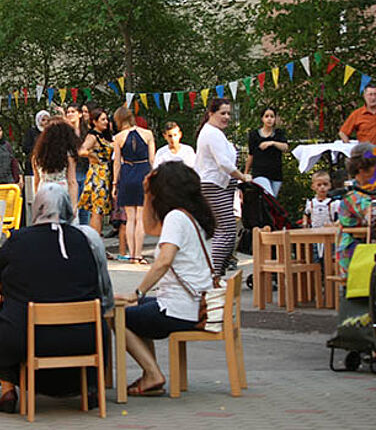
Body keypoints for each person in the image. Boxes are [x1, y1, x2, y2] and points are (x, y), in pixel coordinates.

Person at [0, 183, 113, 413]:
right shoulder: (86, 239)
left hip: (26, 339)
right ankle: (91, 387)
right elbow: (103, 289)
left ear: (36, 209)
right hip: (83, 338)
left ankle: (7, 390)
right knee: (101, 329)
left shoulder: (18, 240)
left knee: (2, 328)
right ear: (68, 209)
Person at [117, 161, 215, 396]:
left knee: (117, 317)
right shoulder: (190, 216)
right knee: (130, 309)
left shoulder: (175, 218)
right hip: (194, 305)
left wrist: (138, 292)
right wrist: (146, 194)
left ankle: (152, 374)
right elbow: (150, 228)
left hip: (179, 309)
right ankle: (150, 375)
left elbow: (164, 261)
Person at [196, 99, 252, 276]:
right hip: (213, 185)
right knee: (226, 231)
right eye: (222, 113)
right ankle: (213, 273)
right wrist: (242, 176)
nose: (227, 117)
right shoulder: (211, 133)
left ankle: (217, 272)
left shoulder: (216, 133)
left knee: (227, 231)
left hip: (222, 185)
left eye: (229, 113)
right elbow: (224, 163)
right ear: (211, 114)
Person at [112, 106, 155, 264]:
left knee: (130, 219)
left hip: (127, 173)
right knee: (140, 218)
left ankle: (131, 255)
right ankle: (138, 254)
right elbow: (152, 160)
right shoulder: (148, 134)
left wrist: (114, 183)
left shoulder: (118, 138)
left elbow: (117, 163)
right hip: (143, 172)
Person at [336, 143, 376, 279]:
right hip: (356, 257)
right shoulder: (353, 195)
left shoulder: (369, 190)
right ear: (361, 169)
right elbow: (371, 215)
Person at [78, 108, 113, 235]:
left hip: (106, 174)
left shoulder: (104, 135)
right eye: (102, 119)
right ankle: (95, 239)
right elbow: (81, 151)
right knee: (96, 211)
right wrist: (92, 155)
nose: (106, 122)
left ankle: (96, 238)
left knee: (100, 211)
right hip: (98, 174)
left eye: (106, 119)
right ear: (94, 121)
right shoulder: (92, 136)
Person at [32, 118, 79, 208]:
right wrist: (73, 206)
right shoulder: (68, 156)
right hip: (62, 193)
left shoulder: (37, 156)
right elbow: (72, 182)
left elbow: (36, 181)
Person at [244, 107, 289, 197]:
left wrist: (272, 143)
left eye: (272, 116)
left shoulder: (279, 133)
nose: (269, 119)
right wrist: (245, 173)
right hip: (259, 173)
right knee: (269, 196)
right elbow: (251, 155)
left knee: (271, 201)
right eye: (266, 116)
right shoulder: (254, 135)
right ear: (262, 118)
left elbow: (285, 147)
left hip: (276, 174)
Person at [303, 170, 339, 264]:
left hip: (329, 233)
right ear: (313, 187)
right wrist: (305, 223)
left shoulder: (334, 202)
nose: (322, 187)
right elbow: (306, 214)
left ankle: (328, 270)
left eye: (325, 184)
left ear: (329, 185)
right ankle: (318, 271)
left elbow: (340, 217)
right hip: (315, 233)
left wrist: (335, 225)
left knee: (329, 255)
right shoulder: (311, 202)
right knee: (316, 255)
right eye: (319, 185)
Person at [66, 103, 91, 225]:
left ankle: (85, 230)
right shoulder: (65, 132)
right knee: (72, 206)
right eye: (68, 112)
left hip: (85, 170)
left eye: (73, 111)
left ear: (80, 114)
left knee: (85, 208)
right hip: (70, 171)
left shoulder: (86, 131)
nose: (70, 114)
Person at [22, 110, 50, 177]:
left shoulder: (51, 132)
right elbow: (26, 148)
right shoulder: (31, 132)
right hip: (34, 163)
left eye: (48, 120)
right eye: (43, 120)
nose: (46, 122)